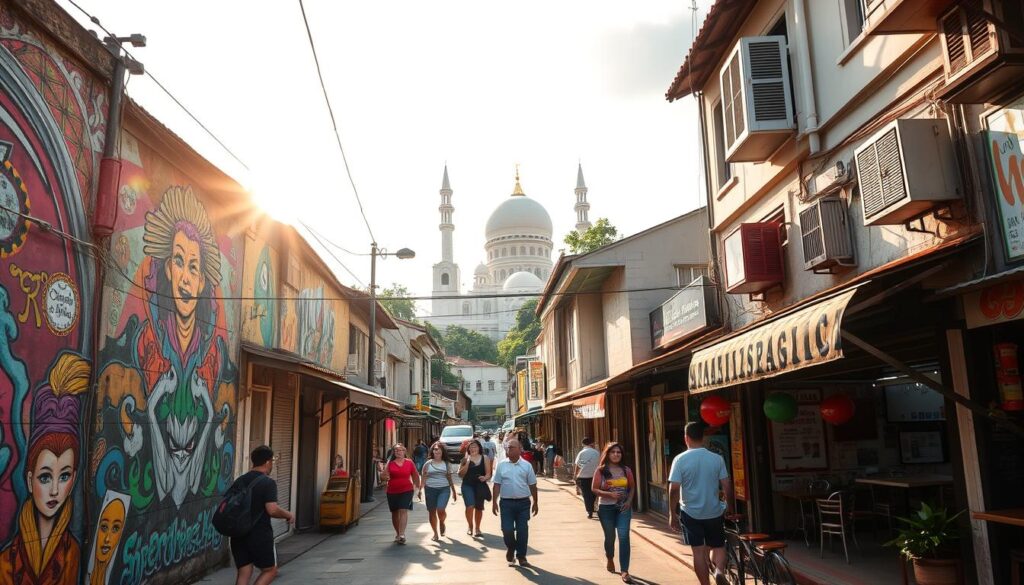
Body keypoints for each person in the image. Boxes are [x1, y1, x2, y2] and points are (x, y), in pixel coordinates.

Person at [668, 423, 733, 585]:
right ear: (703, 438)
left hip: (690, 513)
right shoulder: (716, 458)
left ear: (686, 438)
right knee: (718, 545)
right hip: (714, 511)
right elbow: (727, 485)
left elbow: (673, 489)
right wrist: (730, 506)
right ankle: (719, 570)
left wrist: (672, 514)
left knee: (698, 552)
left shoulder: (679, 459)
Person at [228, 446, 294, 585]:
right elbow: (272, 510)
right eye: (272, 461)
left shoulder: (239, 481)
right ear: (268, 462)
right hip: (259, 534)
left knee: (244, 571)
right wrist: (288, 514)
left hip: (238, 533)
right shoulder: (267, 482)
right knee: (270, 570)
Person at [592, 442, 636, 584]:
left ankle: (625, 570)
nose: (616, 454)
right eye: (613, 452)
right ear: (608, 454)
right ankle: (610, 557)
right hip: (606, 508)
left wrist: (629, 501)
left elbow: (632, 487)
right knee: (610, 537)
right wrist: (609, 495)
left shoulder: (626, 470)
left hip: (623, 508)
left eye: (618, 452)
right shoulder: (600, 470)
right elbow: (594, 489)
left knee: (624, 537)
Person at [491, 439, 539, 568]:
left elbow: (533, 485)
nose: (509, 449)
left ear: (519, 449)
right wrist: (494, 502)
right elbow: (497, 484)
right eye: (507, 447)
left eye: (512, 447)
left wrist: (536, 502)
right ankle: (511, 548)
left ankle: (521, 556)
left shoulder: (527, 465)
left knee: (522, 530)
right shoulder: (501, 465)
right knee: (507, 529)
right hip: (506, 503)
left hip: (523, 503)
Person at [381, 443, 420, 544]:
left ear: (404, 452)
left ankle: (402, 534)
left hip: (407, 490)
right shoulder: (390, 463)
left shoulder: (409, 462)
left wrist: (416, 489)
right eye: (396, 450)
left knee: (403, 510)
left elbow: (415, 476)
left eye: (401, 450)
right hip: (392, 491)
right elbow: (383, 477)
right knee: (394, 513)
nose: (398, 452)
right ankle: (398, 534)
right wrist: (385, 475)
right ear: (394, 452)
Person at [419, 441, 457, 541]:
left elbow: (449, 478)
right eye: (435, 449)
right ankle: (435, 533)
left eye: (439, 449)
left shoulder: (446, 464)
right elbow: (423, 477)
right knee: (431, 512)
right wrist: (420, 489)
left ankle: (442, 521)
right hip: (430, 489)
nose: (437, 451)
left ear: (442, 451)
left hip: (444, 489)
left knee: (440, 509)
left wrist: (453, 491)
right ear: (432, 451)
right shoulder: (427, 464)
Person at [459, 439, 493, 536]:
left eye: (475, 446)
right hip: (467, 485)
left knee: (479, 507)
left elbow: (488, 474)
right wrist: (467, 463)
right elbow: (460, 474)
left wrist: (485, 478)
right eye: (471, 447)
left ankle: (478, 528)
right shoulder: (465, 459)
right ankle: (470, 526)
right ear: (468, 449)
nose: (473, 448)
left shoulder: (485, 458)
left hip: (479, 485)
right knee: (470, 506)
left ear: (479, 448)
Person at [574, 437, 600, 519]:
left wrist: (575, 474)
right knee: (593, 493)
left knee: (586, 494)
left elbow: (578, 465)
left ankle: (590, 511)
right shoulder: (596, 452)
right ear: (591, 443)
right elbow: (599, 464)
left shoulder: (581, 453)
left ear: (583, 444)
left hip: (583, 476)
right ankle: (592, 508)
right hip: (594, 476)